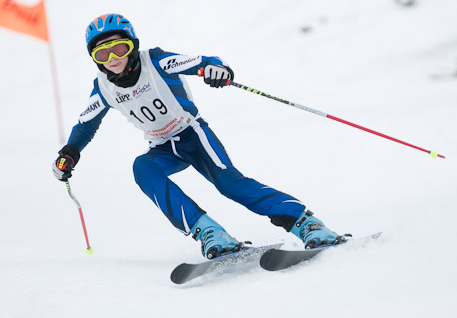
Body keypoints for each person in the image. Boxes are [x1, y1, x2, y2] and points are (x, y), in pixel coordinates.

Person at [52, 14, 346, 259]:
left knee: (229, 184)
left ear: (133, 45)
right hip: (162, 149)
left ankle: (307, 224)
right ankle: (210, 233)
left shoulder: (156, 61)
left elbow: (202, 61)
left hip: (193, 135)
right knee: (142, 168)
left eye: (119, 47)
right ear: (95, 59)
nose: (113, 58)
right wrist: (69, 153)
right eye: (102, 54)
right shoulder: (103, 87)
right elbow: (85, 125)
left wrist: (217, 70)